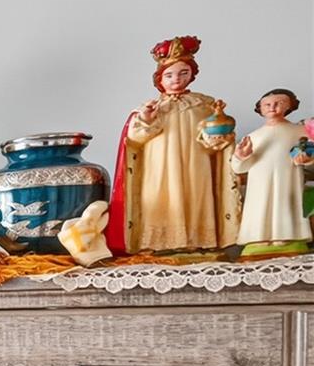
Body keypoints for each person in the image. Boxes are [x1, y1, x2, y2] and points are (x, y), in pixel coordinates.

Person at [107, 36, 237, 252]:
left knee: (195, 198)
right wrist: (147, 119)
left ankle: (197, 242)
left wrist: (217, 135)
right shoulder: (151, 107)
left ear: (192, 75)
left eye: (183, 73)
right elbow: (134, 140)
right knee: (161, 198)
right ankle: (160, 243)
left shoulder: (204, 105)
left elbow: (215, 141)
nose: (176, 79)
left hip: (195, 164)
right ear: (159, 78)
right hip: (159, 166)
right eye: (169, 75)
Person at [231, 89, 312, 246]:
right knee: (260, 206)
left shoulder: (299, 131)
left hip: (287, 177)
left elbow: (309, 153)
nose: (272, 107)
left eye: (279, 103)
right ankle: (258, 238)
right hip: (260, 181)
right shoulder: (253, 136)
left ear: (289, 106)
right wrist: (240, 156)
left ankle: (286, 236)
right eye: (267, 104)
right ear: (260, 108)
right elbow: (238, 168)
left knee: (284, 203)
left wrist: (307, 159)